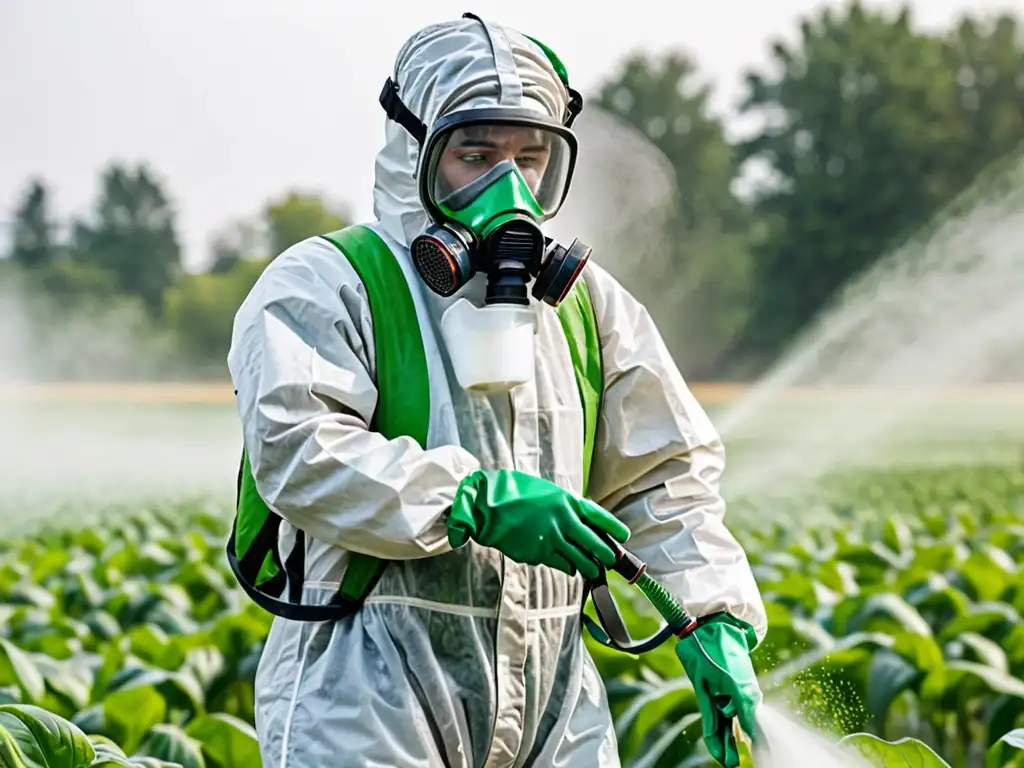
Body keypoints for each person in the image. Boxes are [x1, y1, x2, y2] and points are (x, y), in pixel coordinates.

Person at [227, 13, 767, 768]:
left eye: (531, 157)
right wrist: (472, 501)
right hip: (368, 685)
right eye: (474, 155)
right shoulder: (328, 285)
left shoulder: (586, 307)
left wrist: (711, 616)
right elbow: (300, 454)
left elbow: (666, 473)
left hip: (553, 694)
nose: (507, 186)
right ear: (413, 151)